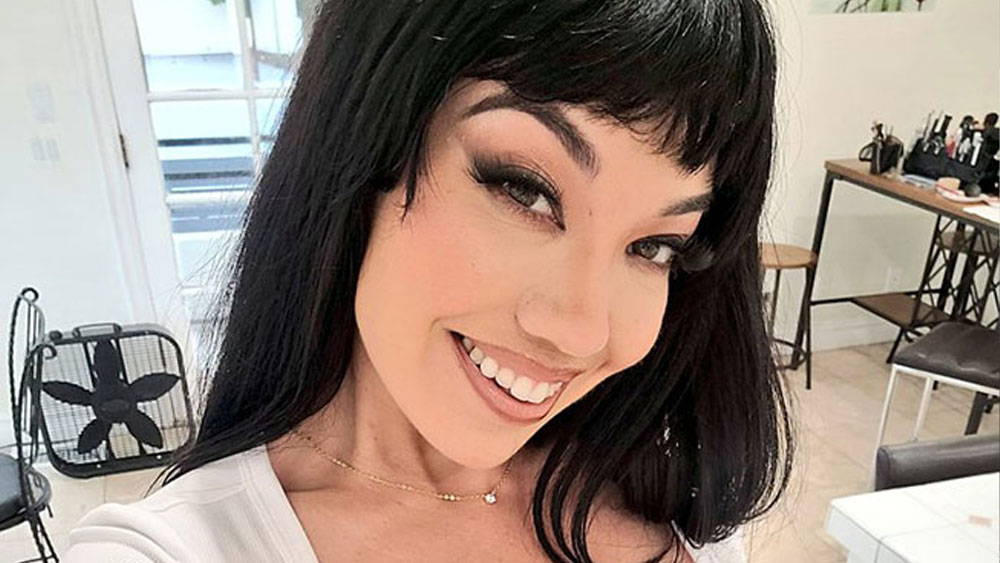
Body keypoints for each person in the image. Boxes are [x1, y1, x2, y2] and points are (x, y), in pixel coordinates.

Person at [65, 0, 792, 561]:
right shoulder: (177, 548)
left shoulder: (674, 503)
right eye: (525, 190)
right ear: (363, 149)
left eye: (654, 246)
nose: (580, 330)